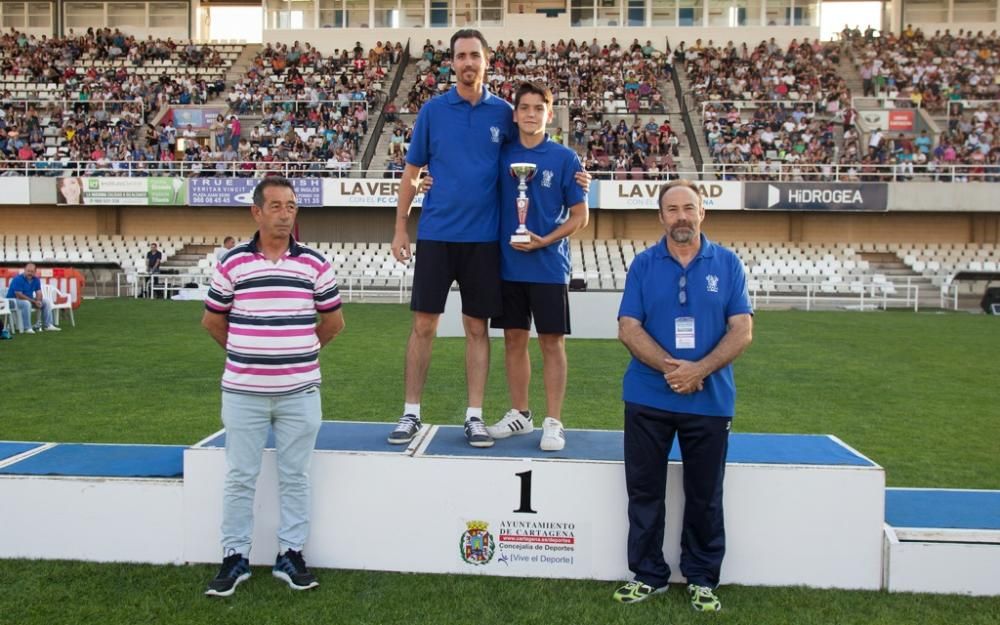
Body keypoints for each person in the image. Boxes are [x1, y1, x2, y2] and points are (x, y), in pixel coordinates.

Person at [388, 29, 588, 448]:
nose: (467, 62)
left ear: (486, 61)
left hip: (484, 241)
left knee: (477, 328)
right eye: (461, 56)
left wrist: (577, 173)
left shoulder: (503, 112)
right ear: (452, 62)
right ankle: (410, 413)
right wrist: (400, 227)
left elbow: (538, 145)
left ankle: (474, 416)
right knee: (424, 324)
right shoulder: (432, 111)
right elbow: (411, 173)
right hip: (438, 233)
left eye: (474, 55)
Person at [613, 179, 753, 612]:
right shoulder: (643, 264)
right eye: (672, 210)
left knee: (705, 493)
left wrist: (700, 370)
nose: (681, 217)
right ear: (661, 217)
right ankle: (648, 574)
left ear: (702, 212)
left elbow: (742, 329)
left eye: (688, 208)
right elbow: (628, 328)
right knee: (644, 491)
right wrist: (673, 371)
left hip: (709, 400)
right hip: (649, 396)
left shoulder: (727, 264)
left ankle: (702, 577)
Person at [201, 177, 345, 597]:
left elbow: (334, 323)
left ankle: (291, 554)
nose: (285, 214)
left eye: (292, 206)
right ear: (257, 212)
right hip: (242, 393)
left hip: (299, 392)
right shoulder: (231, 264)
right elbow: (213, 321)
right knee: (240, 476)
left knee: (296, 475)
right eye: (277, 206)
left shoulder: (315, 264)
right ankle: (234, 558)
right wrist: (247, 354)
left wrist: (295, 354)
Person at [483, 81, 588, 452]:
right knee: (513, 339)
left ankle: (554, 421)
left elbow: (580, 216)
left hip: (548, 265)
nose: (530, 114)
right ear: (515, 114)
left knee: (551, 342)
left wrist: (545, 240)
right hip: (508, 265)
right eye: (524, 108)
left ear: (549, 113)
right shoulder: (501, 155)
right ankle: (520, 413)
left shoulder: (565, 159)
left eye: (537, 108)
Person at [5, 263, 61, 333]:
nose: (30, 273)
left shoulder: (36, 279)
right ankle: (27, 328)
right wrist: (34, 302)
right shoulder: (18, 279)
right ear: (24, 270)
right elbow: (19, 295)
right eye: (28, 271)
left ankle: (48, 325)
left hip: (27, 300)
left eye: (32, 271)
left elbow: (39, 292)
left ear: (35, 272)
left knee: (46, 302)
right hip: (12, 301)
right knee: (27, 304)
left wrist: (39, 301)